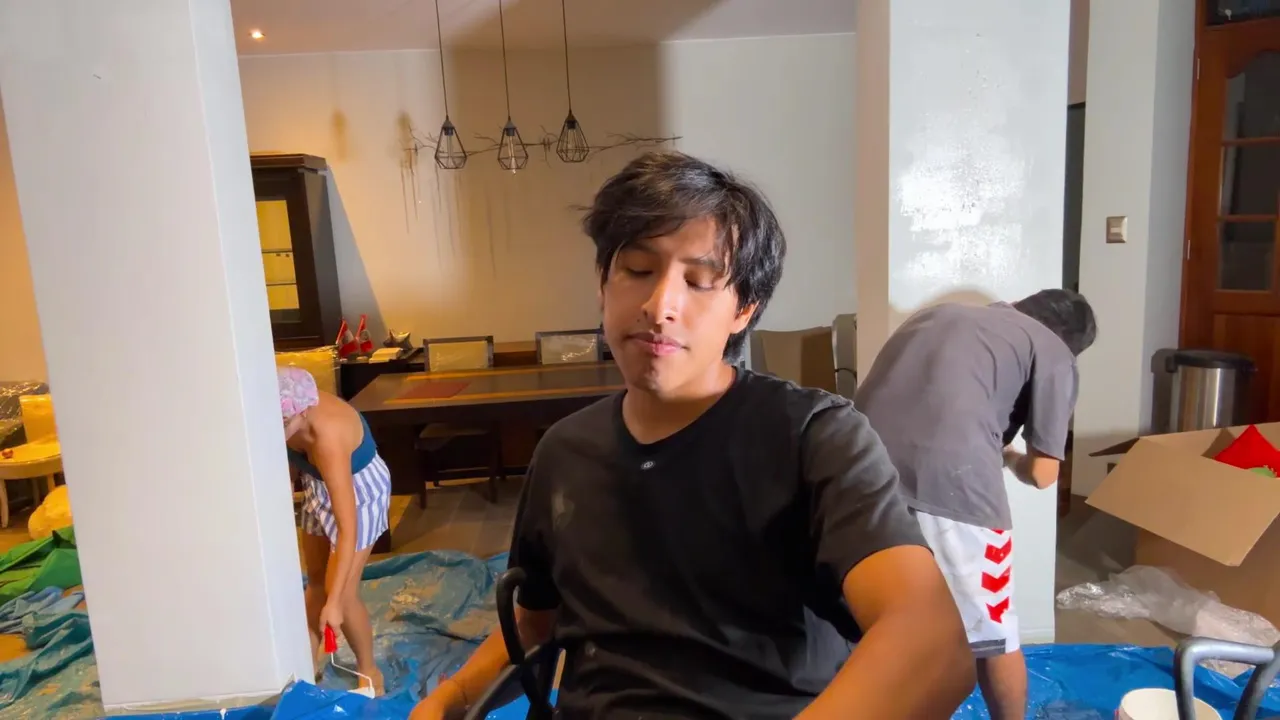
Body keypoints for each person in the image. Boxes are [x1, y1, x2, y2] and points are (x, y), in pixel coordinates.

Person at [409, 151, 974, 720]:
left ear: (743, 310)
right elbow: (535, 624)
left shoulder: (813, 438)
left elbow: (929, 643)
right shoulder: (564, 451)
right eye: (637, 269)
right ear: (602, 283)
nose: (660, 306)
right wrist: (451, 699)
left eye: (699, 281)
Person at [853, 290, 1098, 720]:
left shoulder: (935, 315)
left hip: (856, 469)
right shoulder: (1054, 351)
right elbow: (1044, 474)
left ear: (1020, 305)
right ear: (1071, 342)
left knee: (876, 613)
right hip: (952, 489)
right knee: (993, 636)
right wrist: (1009, 457)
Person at [278, 366, 390, 695]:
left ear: (303, 411)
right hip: (316, 483)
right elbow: (286, 465)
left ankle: (369, 670)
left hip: (360, 490)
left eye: (283, 423)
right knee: (316, 580)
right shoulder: (281, 416)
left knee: (341, 591)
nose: (275, 430)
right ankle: (306, 665)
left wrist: (335, 603)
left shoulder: (327, 438)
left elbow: (347, 529)